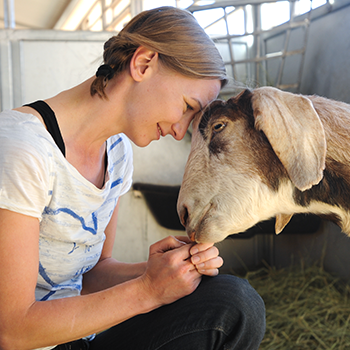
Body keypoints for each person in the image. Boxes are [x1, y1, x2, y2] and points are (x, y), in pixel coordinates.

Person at [0, 6, 265, 350]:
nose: (179, 130)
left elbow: (94, 272)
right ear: (143, 64)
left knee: (234, 303)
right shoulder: (23, 148)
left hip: (80, 338)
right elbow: (11, 329)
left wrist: (161, 271)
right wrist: (147, 290)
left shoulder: (118, 153)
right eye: (186, 106)